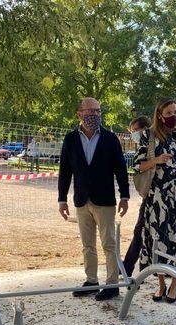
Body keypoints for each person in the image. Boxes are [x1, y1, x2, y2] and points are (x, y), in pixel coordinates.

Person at [58, 97, 130, 301]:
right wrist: (61, 199)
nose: (94, 115)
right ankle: (91, 281)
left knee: (109, 244)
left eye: (98, 111)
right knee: (87, 244)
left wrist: (124, 195)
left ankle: (112, 284)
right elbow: (65, 170)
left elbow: (121, 170)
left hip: (105, 200)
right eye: (90, 111)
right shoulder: (70, 139)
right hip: (81, 200)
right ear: (79, 113)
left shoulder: (110, 138)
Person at [133, 97, 176, 303]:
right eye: (169, 114)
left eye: (175, 112)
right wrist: (156, 160)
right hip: (157, 195)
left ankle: (174, 285)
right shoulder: (149, 135)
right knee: (158, 237)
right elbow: (137, 166)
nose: (173, 116)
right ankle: (161, 284)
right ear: (159, 115)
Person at [122, 116, 151, 276]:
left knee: (140, 231)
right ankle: (129, 266)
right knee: (140, 232)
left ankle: (128, 267)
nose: (133, 134)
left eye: (135, 131)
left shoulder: (149, 145)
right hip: (148, 194)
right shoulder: (144, 145)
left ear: (144, 129)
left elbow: (139, 167)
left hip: (153, 196)